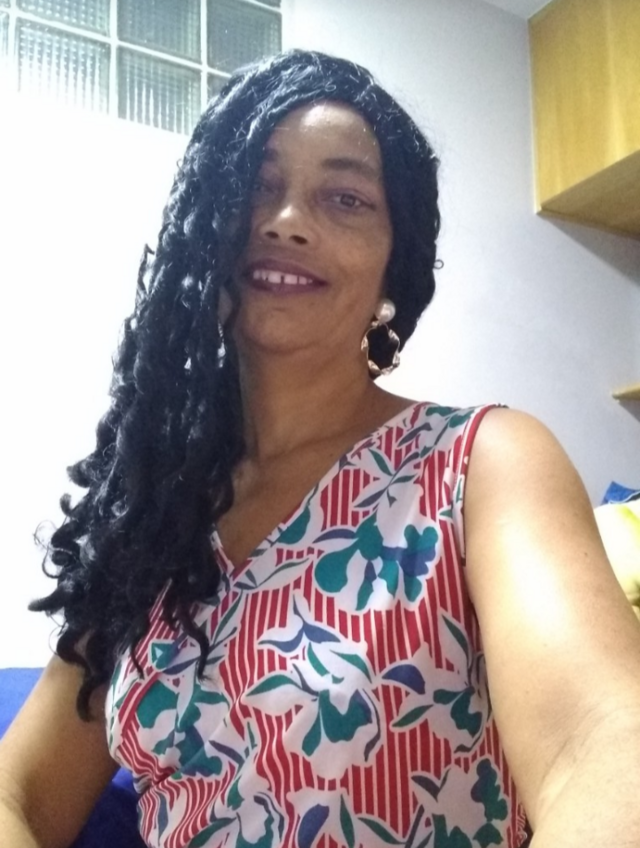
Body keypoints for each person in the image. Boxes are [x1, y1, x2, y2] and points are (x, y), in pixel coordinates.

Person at [0, 49, 639, 848]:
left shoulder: (484, 461)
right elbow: (21, 794)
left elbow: (601, 745)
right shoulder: (154, 514)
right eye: (255, 185)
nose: (286, 220)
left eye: (345, 198)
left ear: (394, 269)